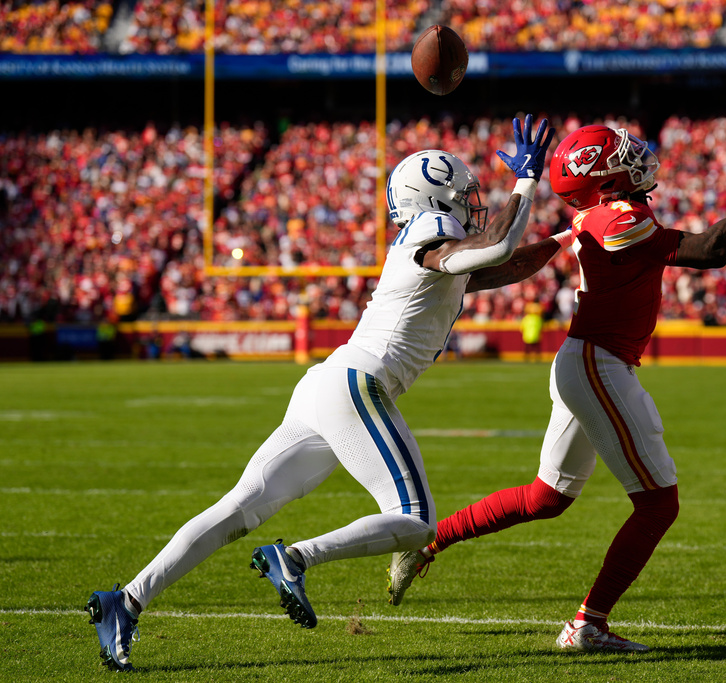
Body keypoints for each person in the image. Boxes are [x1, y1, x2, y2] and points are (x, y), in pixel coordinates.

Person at [84, 114, 562, 671]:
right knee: (416, 520)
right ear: (436, 197)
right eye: (464, 195)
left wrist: (574, 235)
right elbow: (499, 245)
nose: (472, 204)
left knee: (239, 506)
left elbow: (505, 264)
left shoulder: (436, 250)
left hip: (328, 386)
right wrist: (526, 181)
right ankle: (295, 557)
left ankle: (128, 599)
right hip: (359, 382)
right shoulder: (429, 234)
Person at [386, 124, 726, 652]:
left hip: (586, 362)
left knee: (546, 498)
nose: (636, 158)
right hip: (599, 363)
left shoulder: (592, 219)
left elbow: (524, 260)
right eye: (621, 155)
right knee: (659, 505)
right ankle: (587, 624)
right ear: (601, 178)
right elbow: (710, 250)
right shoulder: (619, 218)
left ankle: (430, 541)